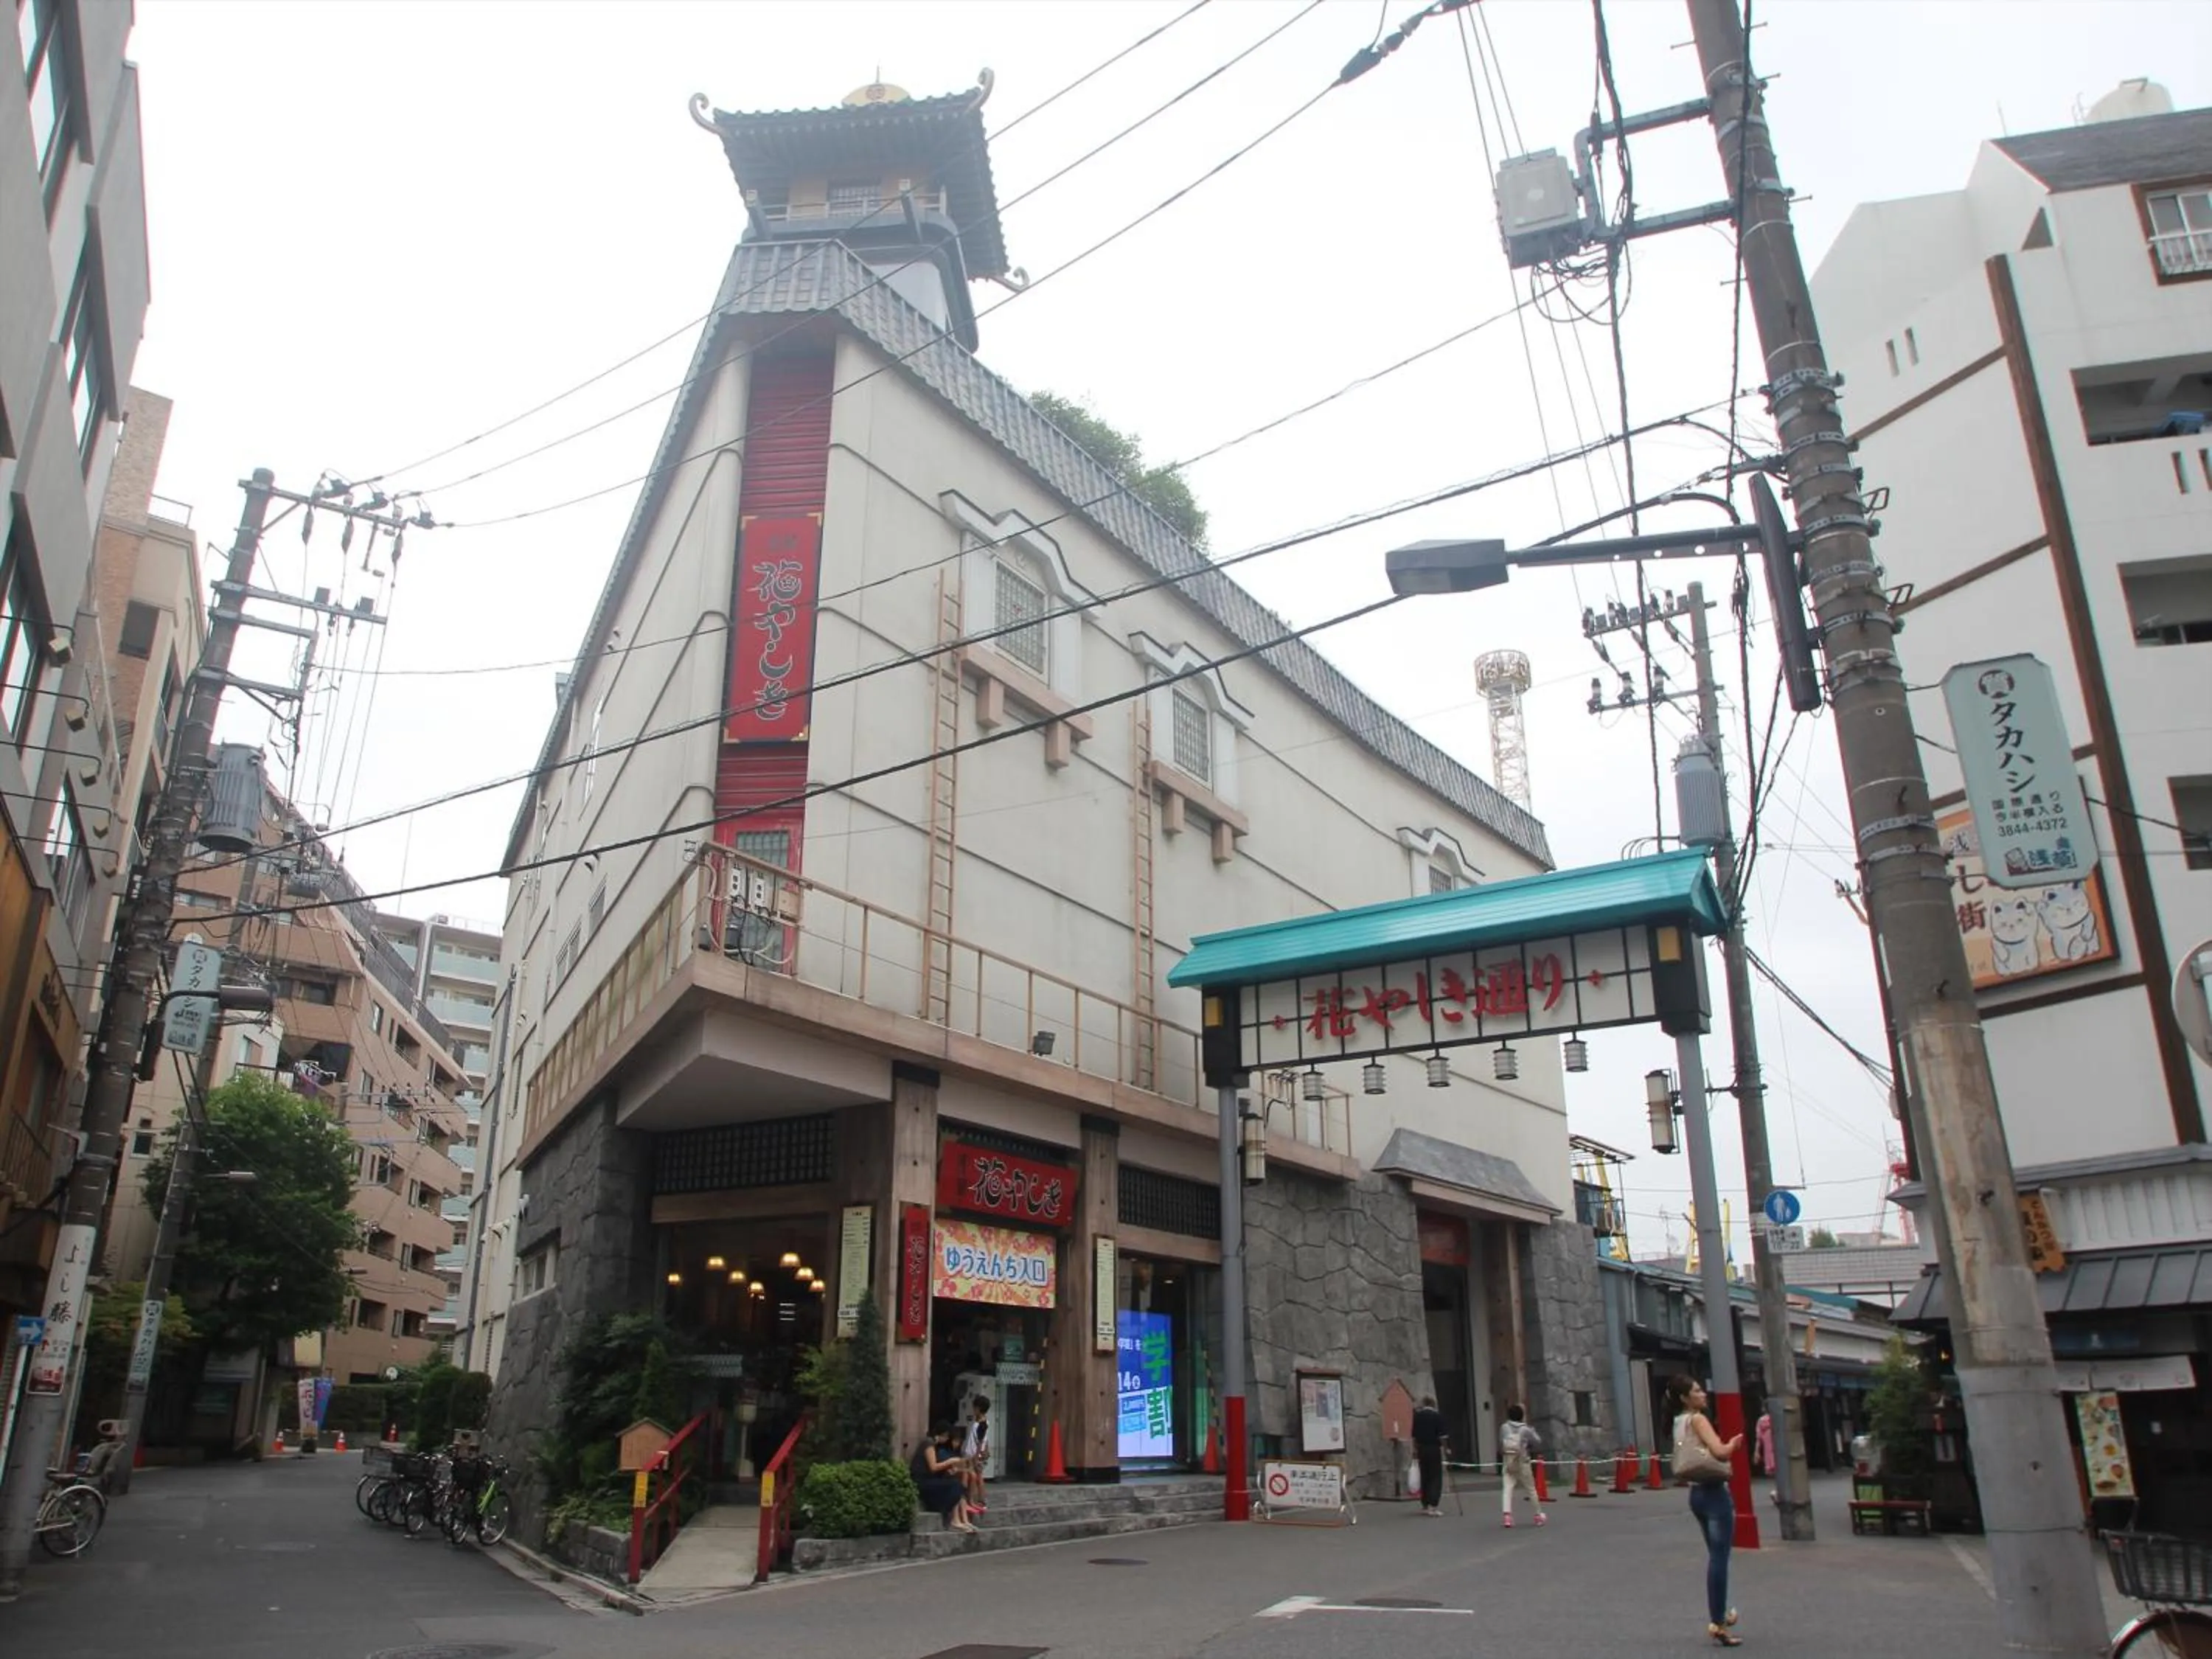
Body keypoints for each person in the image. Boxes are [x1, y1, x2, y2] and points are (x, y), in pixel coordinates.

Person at [1668, 1374, 1745, 1647]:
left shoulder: (1679, 1421)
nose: (1703, 1395)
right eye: (1697, 1391)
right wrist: (1734, 1444)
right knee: (1720, 1558)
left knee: (1715, 1555)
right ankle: (1718, 1622)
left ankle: (1723, 1611)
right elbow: (1720, 1452)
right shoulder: (1698, 1419)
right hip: (1715, 1493)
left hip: (1696, 1493)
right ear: (1685, 1398)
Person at [911, 1425, 977, 1534]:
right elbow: (933, 1467)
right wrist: (950, 1462)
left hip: (929, 1480)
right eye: (946, 1437)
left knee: (956, 1485)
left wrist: (950, 1469)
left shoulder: (935, 1446)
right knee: (954, 1486)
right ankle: (955, 1521)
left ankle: (963, 1520)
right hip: (922, 1482)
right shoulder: (929, 1444)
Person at [1498, 1403, 1545, 1528]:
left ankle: (1507, 1516)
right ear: (1521, 1416)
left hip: (1508, 1462)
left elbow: (1501, 1444)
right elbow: (1537, 1442)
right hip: (1523, 1461)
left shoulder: (1504, 1427)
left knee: (1507, 1489)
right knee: (1531, 1489)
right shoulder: (1525, 1429)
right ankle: (1538, 1515)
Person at [1408, 1394, 1448, 1517]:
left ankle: (1425, 1504)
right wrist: (1447, 1449)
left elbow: (1414, 1436)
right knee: (1435, 1476)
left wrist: (1415, 1450)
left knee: (1424, 1476)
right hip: (1434, 1449)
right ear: (1433, 1404)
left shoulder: (1417, 1416)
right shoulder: (1437, 1416)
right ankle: (1433, 1505)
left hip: (1421, 1449)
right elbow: (1443, 1436)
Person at [961, 1394, 992, 1514]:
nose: (973, 1410)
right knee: (977, 1477)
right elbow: (985, 1440)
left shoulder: (982, 1424)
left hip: (974, 1455)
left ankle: (975, 1501)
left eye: (974, 1408)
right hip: (975, 1454)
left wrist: (976, 1457)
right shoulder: (982, 1421)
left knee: (976, 1477)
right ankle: (978, 1501)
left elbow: (980, 1442)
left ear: (978, 1409)